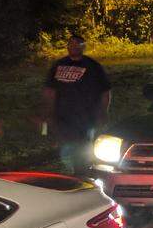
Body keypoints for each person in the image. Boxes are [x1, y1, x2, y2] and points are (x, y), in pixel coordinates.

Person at [43, 33, 111, 175]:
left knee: (83, 147)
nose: (73, 47)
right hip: (63, 115)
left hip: (85, 116)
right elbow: (50, 89)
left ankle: (82, 173)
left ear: (83, 47)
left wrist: (103, 112)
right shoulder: (59, 65)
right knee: (67, 145)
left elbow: (105, 92)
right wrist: (48, 110)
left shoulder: (93, 66)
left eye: (77, 44)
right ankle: (70, 171)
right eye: (70, 44)